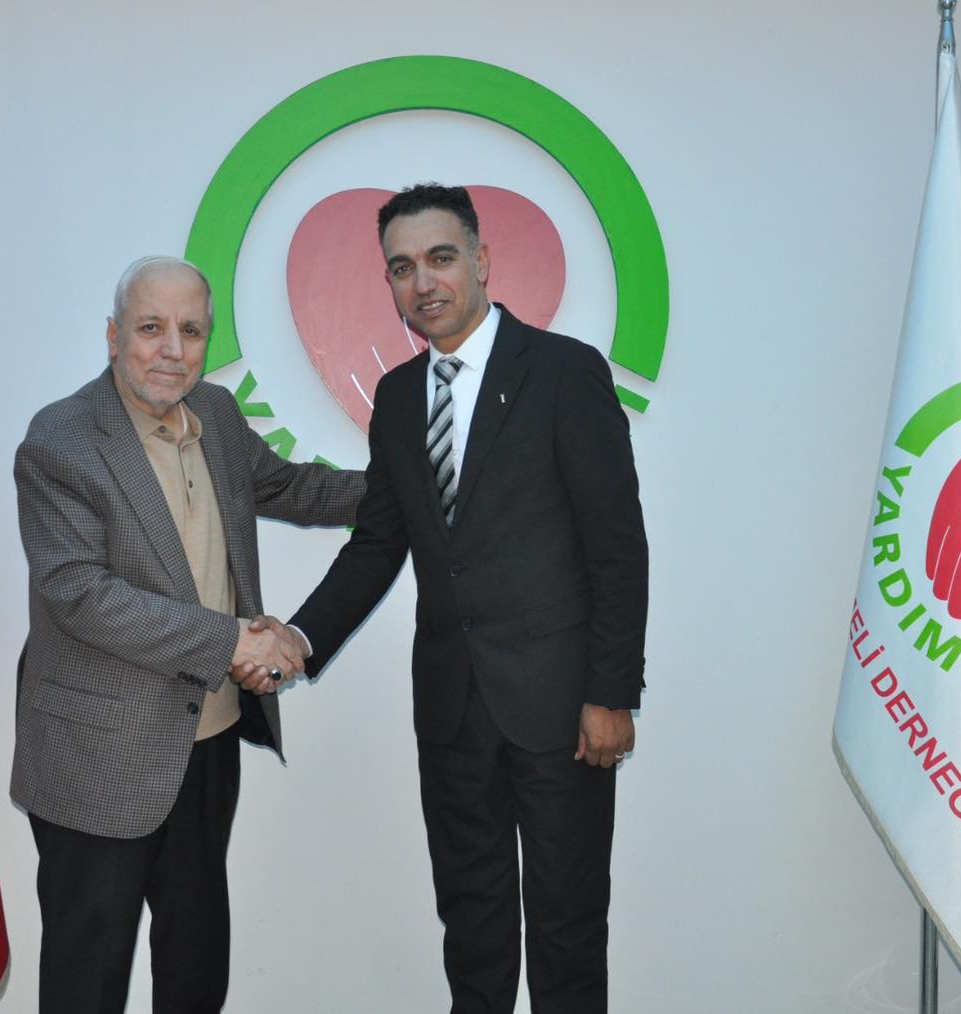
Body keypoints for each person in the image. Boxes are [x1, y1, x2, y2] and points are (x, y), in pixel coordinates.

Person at [285, 184, 649, 1011]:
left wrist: (610, 693)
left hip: (563, 712)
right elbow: (379, 544)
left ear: (482, 261)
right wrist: (300, 639)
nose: (423, 282)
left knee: (566, 931)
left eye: (441, 258)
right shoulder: (397, 399)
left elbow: (617, 547)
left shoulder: (564, 373)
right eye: (402, 267)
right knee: (472, 931)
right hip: (452, 712)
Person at [11, 256, 363, 1013]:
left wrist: (408, 493)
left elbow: (289, 486)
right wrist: (233, 642)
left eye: (191, 330)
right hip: (100, 754)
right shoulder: (61, 440)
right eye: (151, 328)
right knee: (88, 975)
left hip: (208, 741)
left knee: (196, 964)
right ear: (113, 336)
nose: (173, 349)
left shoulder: (218, 414)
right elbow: (79, 594)